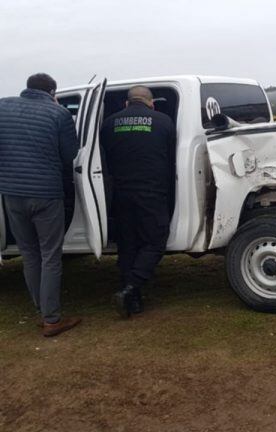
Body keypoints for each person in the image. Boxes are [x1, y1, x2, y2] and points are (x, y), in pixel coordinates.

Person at [0, 73, 82, 337]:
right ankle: (52, 319)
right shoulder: (58, 114)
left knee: (29, 254)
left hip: (12, 193)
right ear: (52, 92)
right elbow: (70, 154)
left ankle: (42, 309)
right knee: (50, 256)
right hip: (46, 194)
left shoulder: (3, 106)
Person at [100, 86, 176, 318]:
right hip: (152, 192)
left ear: (127, 103)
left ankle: (133, 301)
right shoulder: (164, 122)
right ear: (151, 103)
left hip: (120, 193)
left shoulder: (109, 123)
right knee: (154, 242)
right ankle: (131, 286)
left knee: (128, 245)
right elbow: (173, 158)